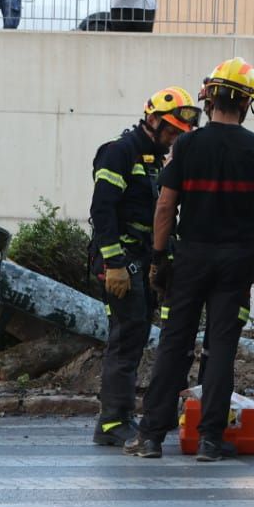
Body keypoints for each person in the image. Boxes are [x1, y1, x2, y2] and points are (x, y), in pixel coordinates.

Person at [126, 59, 254, 462]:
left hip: (190, 256)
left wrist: (158, 258)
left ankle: (150, 437)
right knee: (221, 347)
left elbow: (165, 208)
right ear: (247, 103)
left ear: (209, 97)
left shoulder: (187, 145)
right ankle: (211, 440)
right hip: (236, 259)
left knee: (174, 344)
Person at [89, 86, 200, 447]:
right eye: (170, 131)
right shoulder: (119, 153)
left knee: (138, 336)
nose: (173, 140)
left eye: (178, 135)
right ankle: (112, 423)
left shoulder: (153, 160)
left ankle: (128, 415)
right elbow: (102, 211)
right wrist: (114, 263)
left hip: (139, 260)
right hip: (119, 259)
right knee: (125, 337)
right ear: (152, 120)